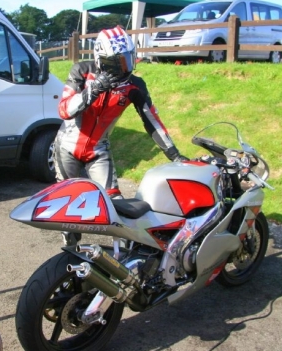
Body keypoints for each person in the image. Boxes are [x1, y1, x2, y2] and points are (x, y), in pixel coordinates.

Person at [54, 25, 188, 246]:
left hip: (99, 150)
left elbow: (152, 121)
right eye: (120, 61)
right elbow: (64, 110)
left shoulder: (134, 84)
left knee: (115, 204)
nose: (127, 66)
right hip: (66, 147)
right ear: (103, 59)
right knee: (68, 206)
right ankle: (69, 253)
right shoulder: (82, 70)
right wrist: (94, 89)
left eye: (129, 58)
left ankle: (126, 257)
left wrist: (175, 155)